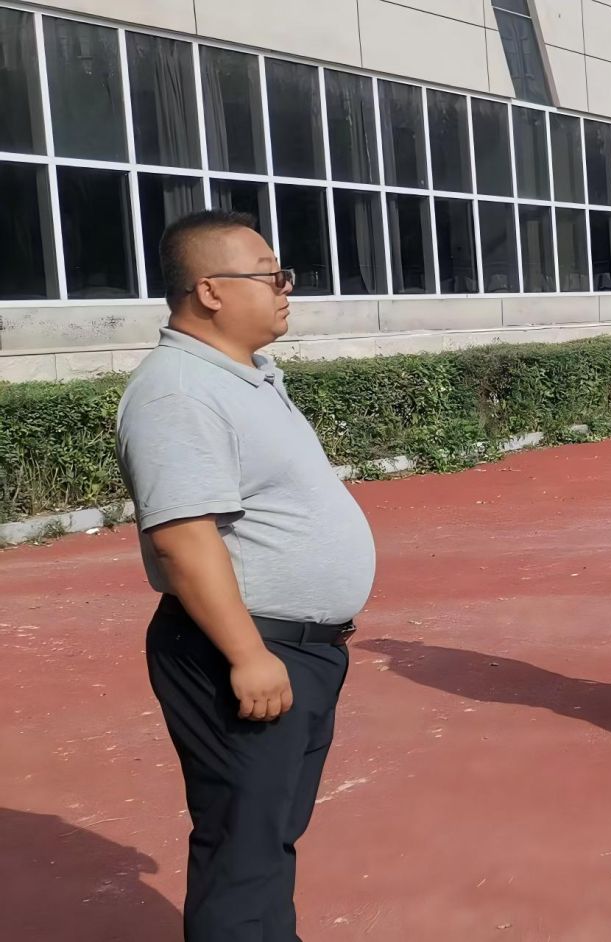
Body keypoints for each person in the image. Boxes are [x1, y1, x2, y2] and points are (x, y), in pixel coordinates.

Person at [115, 210, 374, 939]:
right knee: (244, 849)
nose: (286, 288)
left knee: (268, 835)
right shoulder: (178, 392)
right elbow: (183, 539)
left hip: (294, 650)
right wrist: (247, 654)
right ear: (210, 291)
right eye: (270, 276)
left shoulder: (243, 378)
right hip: (240, 651)